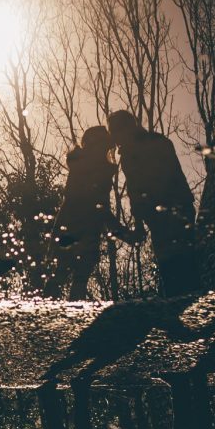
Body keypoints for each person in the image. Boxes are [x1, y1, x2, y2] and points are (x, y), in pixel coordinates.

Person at [106, 110, 200, 296]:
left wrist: (144, 219)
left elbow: (140, 187)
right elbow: (136, 190)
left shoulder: (142, 149)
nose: (115, 140)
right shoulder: (156, 142)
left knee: (176, 266)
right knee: (181, 266)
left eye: (115, 132)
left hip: (169, 212)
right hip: (172, 211)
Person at [47, 125, 142, 300]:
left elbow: (99, 208)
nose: (107, 147)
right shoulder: (89, 169)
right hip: (77, 228)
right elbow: (97, 208)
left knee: (71, 275)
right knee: (65, 273)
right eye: (104, 143)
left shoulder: (89, 168)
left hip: (81, 229)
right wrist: (125, 234)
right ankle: (43, 313)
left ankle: (61, 312)